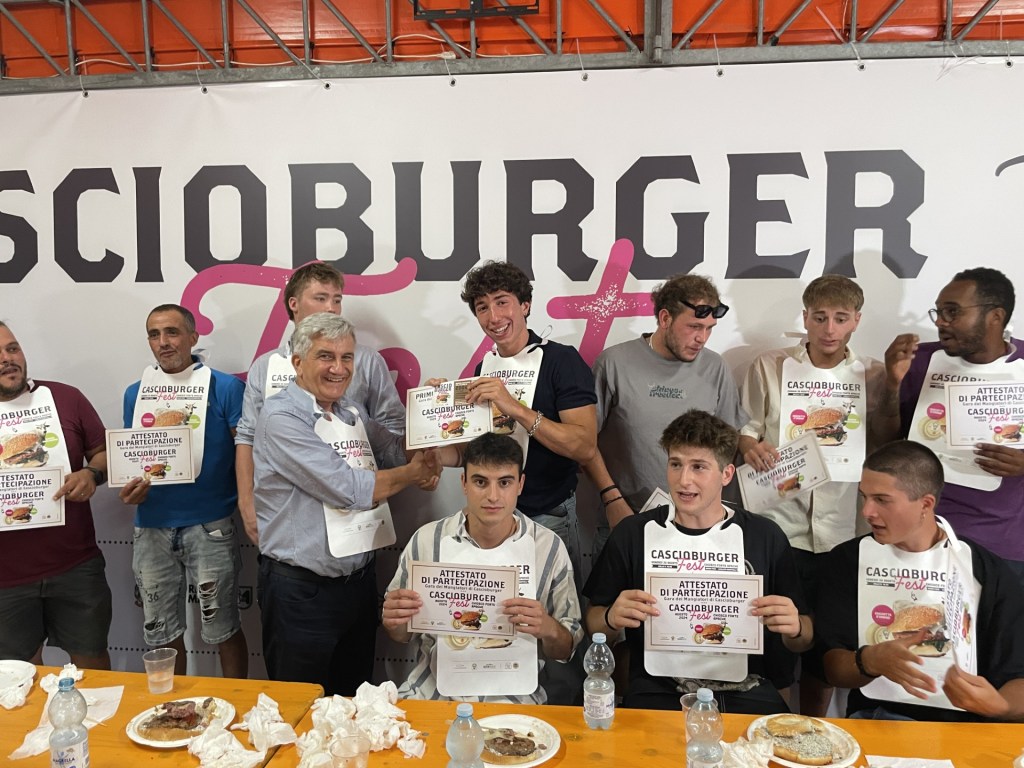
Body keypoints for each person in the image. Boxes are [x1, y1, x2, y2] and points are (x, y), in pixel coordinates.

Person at [253, 313, 440, 696]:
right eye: (326, 356)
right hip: (301, 593)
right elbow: (347, 488)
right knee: (301, 707)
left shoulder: (350, 411)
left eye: (347, 357)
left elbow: (394, 449)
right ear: (298, 362)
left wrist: (432, 410)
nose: (339, 368)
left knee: (354, 705)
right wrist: (413, 473)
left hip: (357, 586)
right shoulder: (280, 417)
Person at [584, 410, 812, 714]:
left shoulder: (764, 536)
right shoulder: (633, 533)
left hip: (748, 690)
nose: (684, 480)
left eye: (699, 467)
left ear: (727, 474)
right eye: (675, 464)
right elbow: (593, 623)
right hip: (658, 690)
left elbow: (804, 638)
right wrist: (612, 617)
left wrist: (795, 628)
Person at [738, 274, 886, 715]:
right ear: (805, 318)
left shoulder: (873, 374)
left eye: (840, 318)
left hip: (843, 529)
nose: (829, 329)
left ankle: (814, 726)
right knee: (777, 640)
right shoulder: (770, 365)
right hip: (780, 523)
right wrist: (749, 446)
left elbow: (883, 442)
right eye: (820, 317)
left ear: (857, 320)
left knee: (826, 644)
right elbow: (746, 428)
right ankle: (776, 724)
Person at [817, 440, 1024, 722]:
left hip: (967, 725)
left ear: (926, 504)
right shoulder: (848, 560)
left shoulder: (985, 571)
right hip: (879, 716)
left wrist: (1000, 706)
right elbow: (831, 667)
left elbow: (1017, 676)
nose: (866, 512)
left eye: (882, 500)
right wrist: (869, 660)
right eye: (864, 496)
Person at [382, 433, 583, 703]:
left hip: (515, 699)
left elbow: (566, 649)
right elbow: (400, 635)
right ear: (463, 483)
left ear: (520, 485)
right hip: (433, 695)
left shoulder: (548, 547)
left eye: (504, 482)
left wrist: (547, 627)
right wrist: (395, 621)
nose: (493, 496)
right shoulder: (427, 541)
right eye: (480, 482)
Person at [120, 304, 248, 678]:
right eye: (154, 334)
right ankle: (171, 705)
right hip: (151, 525)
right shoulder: (135, 393)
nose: (163, 342)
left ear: (193, 337)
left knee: (224, 628)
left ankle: (238, 703)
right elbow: (134, 459)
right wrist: (131, 489)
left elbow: (247, 453)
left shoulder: (226, 387)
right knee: (161, 632)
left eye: (172, 332)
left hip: (210, 524)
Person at [235, 262, 404, 544]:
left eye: (337, 300)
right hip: (291, 524)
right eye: (321, 298)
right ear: (294, 304)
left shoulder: (367, 361)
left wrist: (392, 478)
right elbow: (247, 436)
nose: (331, 308)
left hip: (356, 520)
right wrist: (246, 501)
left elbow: (391, 429)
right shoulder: (264, 366)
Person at [584, 274, 746, 555]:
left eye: (709, 329)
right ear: (665, 318)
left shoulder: (715, 367)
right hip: (626, 518)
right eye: (694, 327)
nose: (702, 339)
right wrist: (611, 499)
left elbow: (728, 444)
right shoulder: (614, 363)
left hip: (697, 529)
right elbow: (584, 443)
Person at [881, 267, 1024, 580]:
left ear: (995, 317)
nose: (940, 322)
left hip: (1005, 547)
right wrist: (891, 384)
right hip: (924, 539)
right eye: (939, 312)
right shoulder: (918, 361)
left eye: (953, 312)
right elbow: (884, 445)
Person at [457, 260, 597, 580]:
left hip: (549, 515)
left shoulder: (561, 360)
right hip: (493, 514)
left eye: (502, 302)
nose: (494, 317)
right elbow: (475, 449)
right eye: (482, 307)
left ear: (525, 305)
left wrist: (515, 407)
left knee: (557, 608)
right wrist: (436, 427)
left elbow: (585, 446)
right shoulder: (483, 368)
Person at [0, 322, 111, 669]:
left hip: (75, 567)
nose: (7, 359)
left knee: (93, 670)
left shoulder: (66, 398)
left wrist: (91, 474)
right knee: (19, 679)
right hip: (6, 578)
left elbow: (104, 453)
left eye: (12, 348)